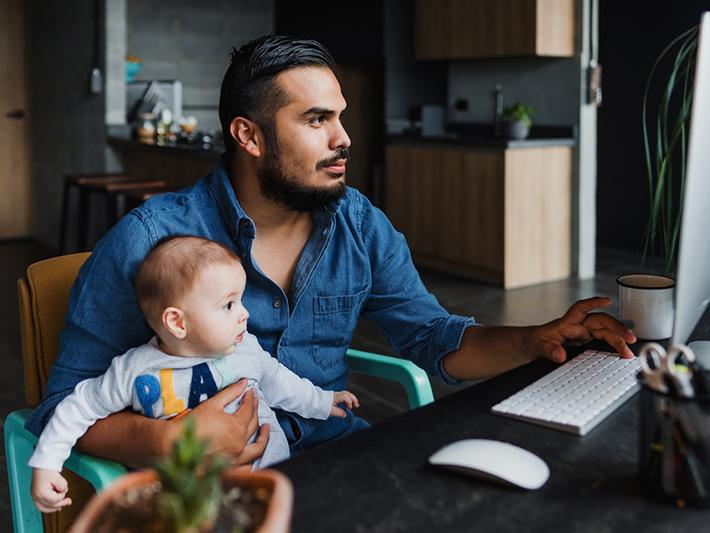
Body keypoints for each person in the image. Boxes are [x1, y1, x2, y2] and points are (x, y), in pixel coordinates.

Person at [27, 35, 636, 469]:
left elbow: (434, 338)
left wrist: (536, 339)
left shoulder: (359, 224)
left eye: (341, 117)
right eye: (316, 119)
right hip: (211, 485)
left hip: (336, 450)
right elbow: (61, 407)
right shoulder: (147, 241)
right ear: (249, 136)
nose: (344, 138)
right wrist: (165, 443)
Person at [29, 235, 359, 513]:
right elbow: (78, 407)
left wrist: (323, 401)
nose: (244, 314)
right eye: (229, 305)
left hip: (270, 483)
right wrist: (47, 464)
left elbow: (281, 384)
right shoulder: (135, 371)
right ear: (178, 323)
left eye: (241, 300)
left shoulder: (246, 351)